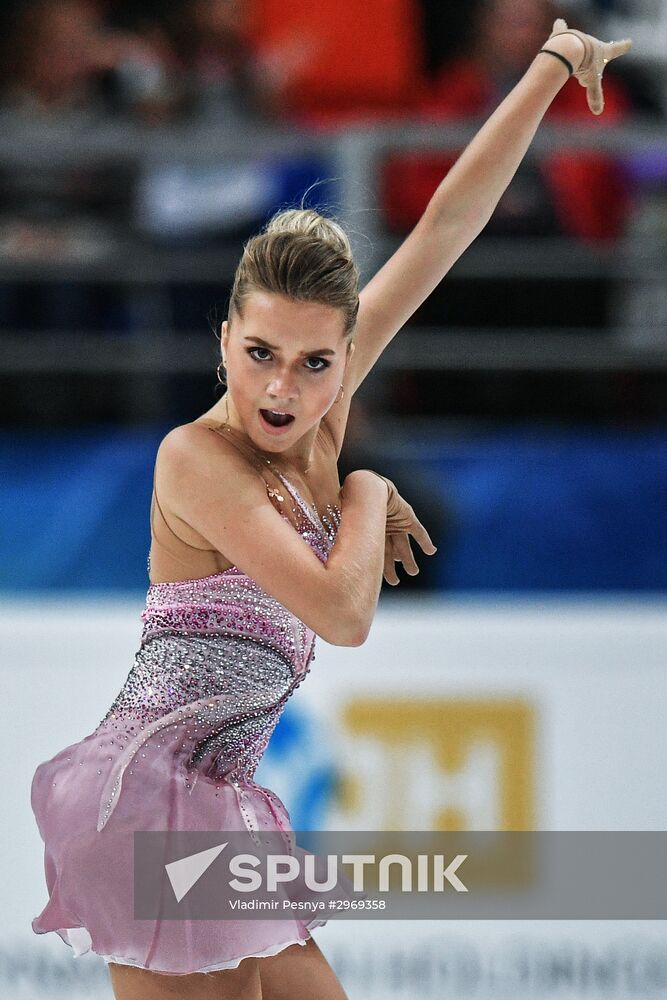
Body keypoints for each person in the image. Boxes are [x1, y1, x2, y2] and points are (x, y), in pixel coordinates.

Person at [30, 18, 631, 999]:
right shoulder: (196, 459)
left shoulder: (322, 413)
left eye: (315, 364)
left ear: (345, 360)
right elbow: (342, 611)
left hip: (220, 801)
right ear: (224, 340)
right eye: (260, 353)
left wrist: (551, 65)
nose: (283, 388)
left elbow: (445, 223)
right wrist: (368, 489)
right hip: (146, 808)